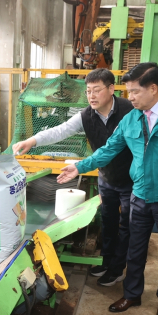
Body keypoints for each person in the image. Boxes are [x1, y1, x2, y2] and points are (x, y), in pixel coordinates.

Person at [57, 63, 158, 315]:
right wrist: (79, 167)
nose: (130, 98)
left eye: (135, 92)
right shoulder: (130, 119)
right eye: (127, 92)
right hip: (139, 194)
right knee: (135, 248)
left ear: (153, 88)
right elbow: (108, 150)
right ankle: (132, 294)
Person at [12, 69, 134, 286]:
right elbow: (60, 130)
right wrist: (33, 141)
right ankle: (106, 263)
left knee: (127, 226)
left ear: (111, 89)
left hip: (130, 179)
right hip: (106, 177)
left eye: (97, 90)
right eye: (88, 91)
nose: (91, 96)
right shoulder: (86, 116)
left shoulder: (129, 111)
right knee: (108, 222)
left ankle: (117, 270)